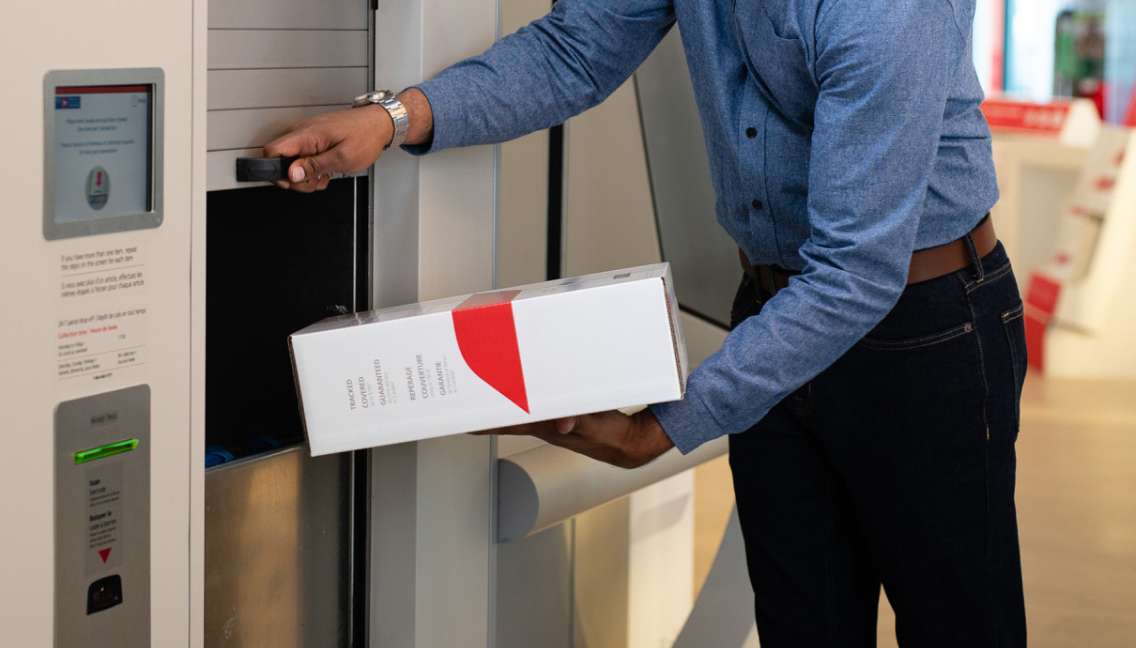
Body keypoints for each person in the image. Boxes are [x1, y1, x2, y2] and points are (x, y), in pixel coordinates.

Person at [265, 1, 1027, 645]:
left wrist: (663, 426)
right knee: (803, 622)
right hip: (774, 308)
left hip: (924, 329)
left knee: (956, 623)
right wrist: (395, 118)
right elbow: (576, 49)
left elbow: (856, 273)